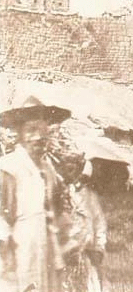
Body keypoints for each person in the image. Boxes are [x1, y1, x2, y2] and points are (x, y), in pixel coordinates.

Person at [0, 96, 71, 292]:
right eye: (31, 130)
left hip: (48, 250)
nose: (38, 137)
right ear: (20, 134)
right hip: (19, 249)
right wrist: (5, 252)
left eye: (43, 130)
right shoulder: (9, 168)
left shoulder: (48, 169)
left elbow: (58, 210)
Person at [58, 155, 107, 292]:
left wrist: (99, 246)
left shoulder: (89, 196)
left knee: (90, 283)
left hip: (87, 251)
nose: (71, 174)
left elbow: (99, 221)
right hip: (67, 251)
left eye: (73, 170)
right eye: (67, 170)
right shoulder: (59, 193)